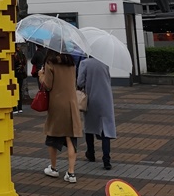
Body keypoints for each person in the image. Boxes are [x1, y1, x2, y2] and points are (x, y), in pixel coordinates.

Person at [39, 50, 83, 184]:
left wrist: (41, 75)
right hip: (72, 103)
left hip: (57, 103)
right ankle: (71, 172)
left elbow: (48, 85)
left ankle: (53, 168)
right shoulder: (71, 62)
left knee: (53, 135)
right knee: (70, 137)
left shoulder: (50, 62)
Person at [77, 55, 116, 170]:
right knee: (106, 130)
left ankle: (91, 153)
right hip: (106, 99)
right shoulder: (105, 63)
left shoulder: (85, 63)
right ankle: (106, 159)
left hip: (92, 98)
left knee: (89, 126)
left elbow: (80, 82)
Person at [12, 43, 27, 113]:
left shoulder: (13, 53)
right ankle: (20, 107)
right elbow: (25, 62)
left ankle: (14, 107)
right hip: (21, 73)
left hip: (14, 74)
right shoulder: (21, 52)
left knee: (13, 90)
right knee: (19, 90)